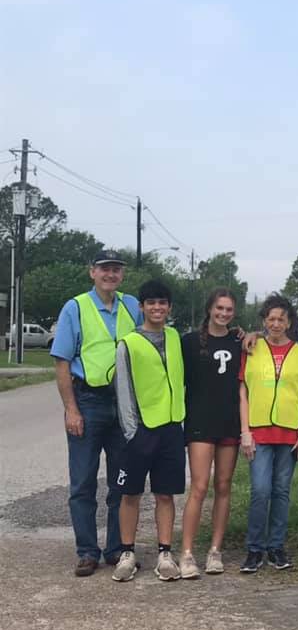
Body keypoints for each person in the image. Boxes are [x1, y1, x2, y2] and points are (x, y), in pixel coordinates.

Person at [50, 249, 143, 577]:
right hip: (87, 401)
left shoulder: (133, 306)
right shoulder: (76, 308)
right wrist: (70, 409)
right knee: (83, 481)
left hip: (124, 406)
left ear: (122, 275)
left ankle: (116, 548)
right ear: (92, 272)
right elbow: (62, 361)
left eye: (116, 270)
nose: (110, 274)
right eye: (104, 269)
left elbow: (157, 338)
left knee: (121, 480)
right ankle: (87, 551)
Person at [111, 280, 186, 582]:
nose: (157, 308)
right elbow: (123, 390)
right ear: (141, 307)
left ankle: (165, 553)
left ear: (169, 307)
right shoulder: (128, 343)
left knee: (165, 494)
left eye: (163, 302)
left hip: (171, 428)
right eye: (151, 302)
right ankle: (127, 552)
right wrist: (132, 433)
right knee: (130, 494)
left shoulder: (175, 337)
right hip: (140, 431)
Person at [239, 294, 298, 574]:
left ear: (289, 321)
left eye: (281, 318)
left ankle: (276, 546)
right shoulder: (252, 349)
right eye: (271, 319)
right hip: (258, 431)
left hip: (290, 433)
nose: (276, 323)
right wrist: (245, 432)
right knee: (260, 490)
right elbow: (243, 392)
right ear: (264, 321)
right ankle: (254, 548)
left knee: (281, 491)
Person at [178, 288, 243, 579]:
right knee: (200, 487)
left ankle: (215, 550)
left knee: (224, 485)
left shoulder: (240, 341)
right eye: (219, 308)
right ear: (210, 309)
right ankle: (187, 552)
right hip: (200, 422)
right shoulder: (189, 342)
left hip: (229, 421)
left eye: (229, 309)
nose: (224, 314)